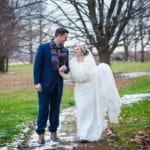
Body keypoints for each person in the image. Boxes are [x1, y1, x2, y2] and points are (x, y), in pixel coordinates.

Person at [59, 45, 122, 142]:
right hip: (79, 88)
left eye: (77, 49)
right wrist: (61, 72)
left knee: (89, 111)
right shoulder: (72, 62)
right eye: (75, 49)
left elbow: (94, 75)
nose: (75, 50)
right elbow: (69, 76)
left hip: (89, 88)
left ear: (82, 51)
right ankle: (82, 133)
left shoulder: (89, 61)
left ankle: (89, 134)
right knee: (81, 110)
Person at [33, 27, 69, 144]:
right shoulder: (43, 48)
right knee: (43, 110)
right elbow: (37, 66)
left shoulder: (65, 51)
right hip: (44, 85)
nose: (66, 39)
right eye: (65, 37)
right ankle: (40, 134)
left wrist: (66, 68)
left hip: (58, 85)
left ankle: (53, 133)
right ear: (58, 35)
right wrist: (37, 82)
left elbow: (67, 68)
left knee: (55, 110)